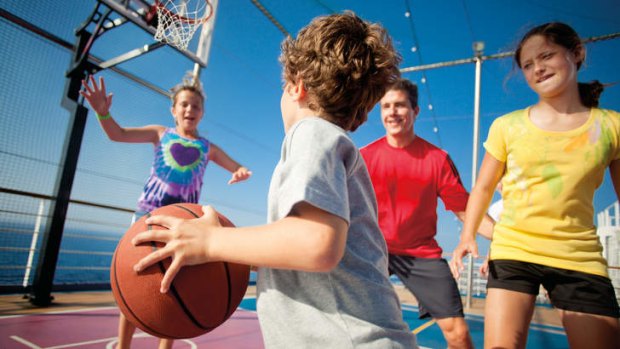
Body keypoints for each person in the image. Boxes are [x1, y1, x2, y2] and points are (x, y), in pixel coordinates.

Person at [129, 12, 417, 349]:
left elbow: (316, 244)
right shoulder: (330, 144)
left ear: (297, 86)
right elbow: (310, 251)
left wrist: (211, 242)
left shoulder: (310, 133)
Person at [450, 22, 620, 348]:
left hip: (579, 256)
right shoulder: (507, 126)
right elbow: (483, 188)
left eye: (546, 56)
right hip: (514, 249)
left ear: (577, 53)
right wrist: (467, 235)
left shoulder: (611, 126)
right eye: (528, 65)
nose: (537, 68)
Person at [80, 76, 252, 349]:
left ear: (202, 113)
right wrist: (103, 112)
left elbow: (235, 166)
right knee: (133, 285)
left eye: (195, 106)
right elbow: (118, 134)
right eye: (184, 104)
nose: (189, 110)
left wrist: (239, 172)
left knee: (174, 287)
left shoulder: (207, 148)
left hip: (182, 224)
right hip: (148, 217)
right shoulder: (161, 133)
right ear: (173, 110)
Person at [360, 78, 494, 348]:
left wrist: (503, 237)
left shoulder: (437, 159)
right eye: (386, 106)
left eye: (399, 105)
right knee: (351, 322)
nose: (392, 112)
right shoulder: (363, 156)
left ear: (415, 111)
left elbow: (464, 211)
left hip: (420, 254)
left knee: (457, 332)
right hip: (373, 250)